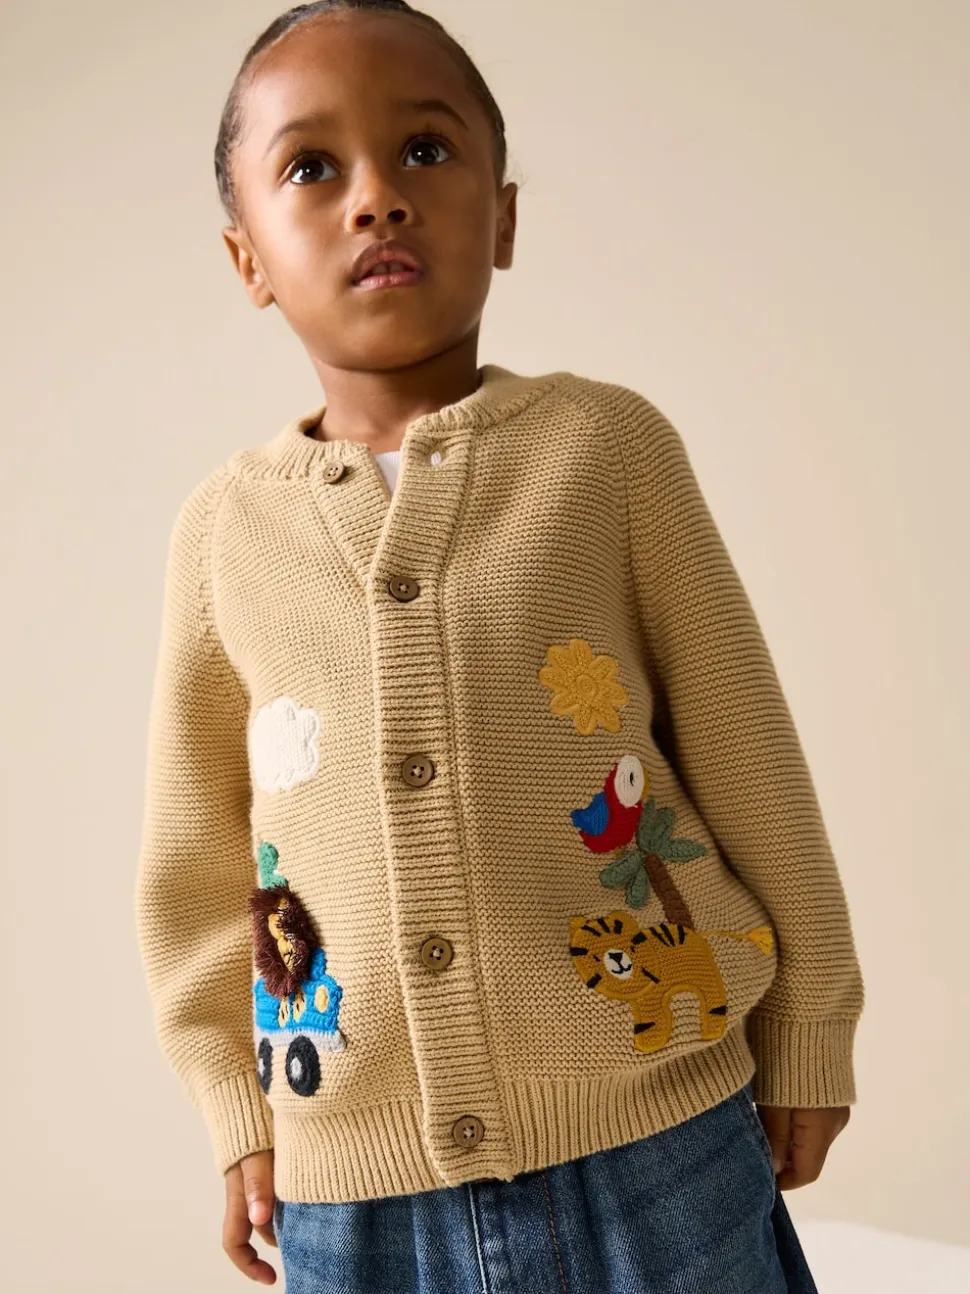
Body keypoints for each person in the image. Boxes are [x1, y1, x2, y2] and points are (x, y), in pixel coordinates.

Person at [133, 2, 865, 1291]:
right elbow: (196, 859)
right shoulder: (224, 533)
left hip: (658, 1133)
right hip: (354, 1186)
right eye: (314, 167)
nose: (377, 197)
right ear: (249, 258)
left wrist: (812, 1017)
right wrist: (234, 1106)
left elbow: (746, 752)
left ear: (505, 218)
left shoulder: (606, 453)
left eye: (425, 149)